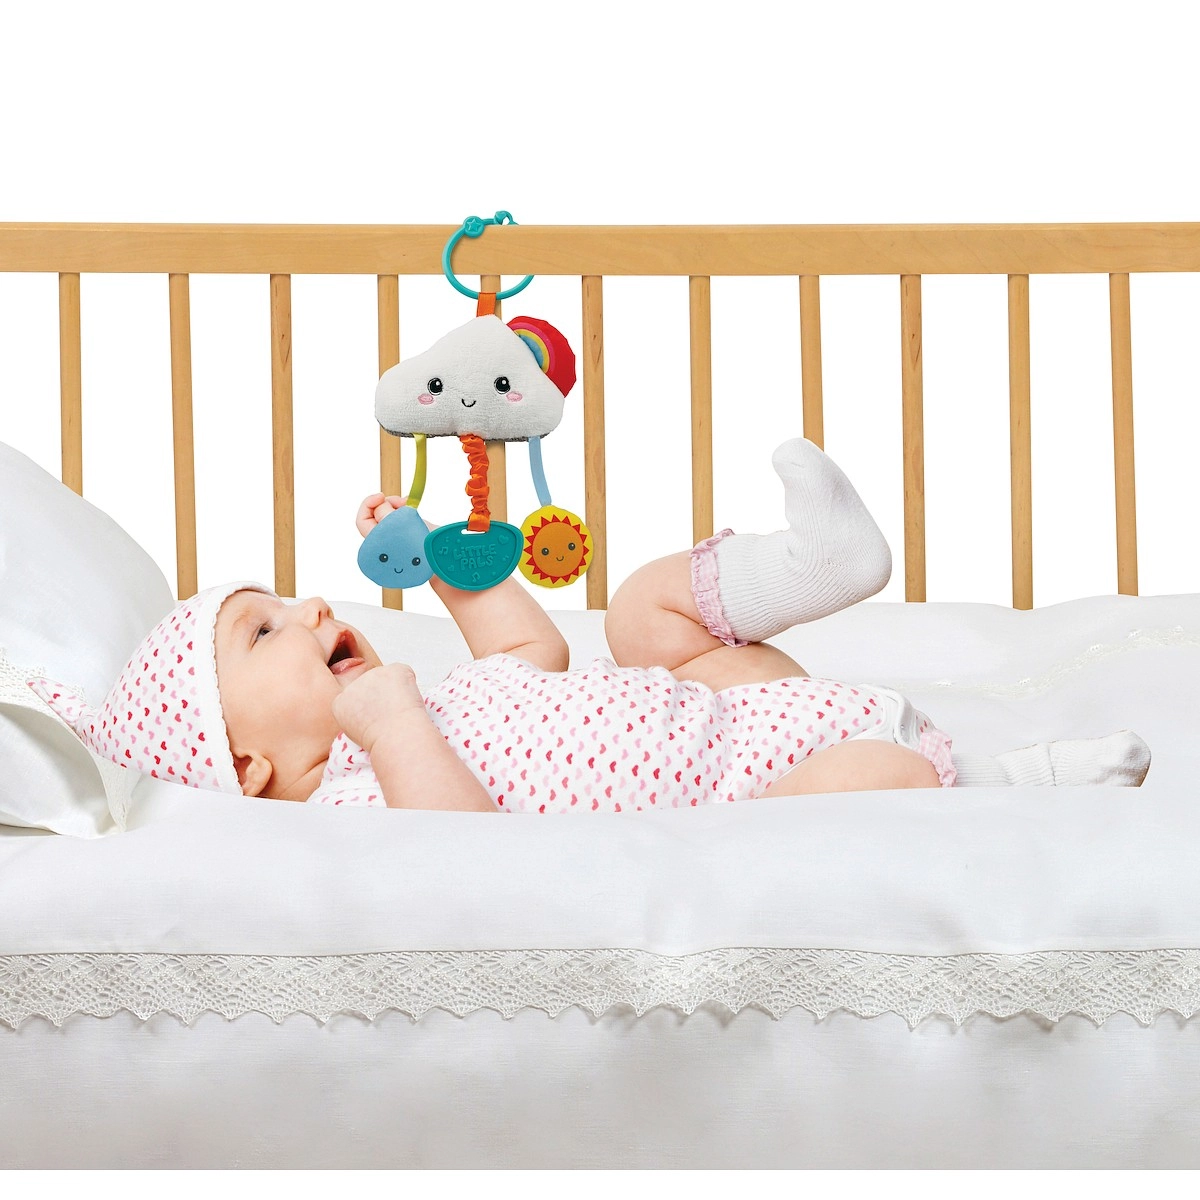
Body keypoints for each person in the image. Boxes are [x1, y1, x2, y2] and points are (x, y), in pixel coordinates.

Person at [32, 440, 1151, 812]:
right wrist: (392, 723)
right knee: (882, 781)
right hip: (734, 792)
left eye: (284, 601)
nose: (312, 609)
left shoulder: (424, 700)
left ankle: (820, 566)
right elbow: (461, 846)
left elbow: (536, 654)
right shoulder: (360, 797)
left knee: (638, 615)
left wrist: (451, 574)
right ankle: (1009, 782)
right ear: (248, 766)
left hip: (728, 705)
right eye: (265, 635)